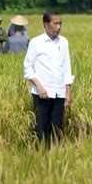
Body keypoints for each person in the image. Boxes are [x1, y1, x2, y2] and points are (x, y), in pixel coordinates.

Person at [24, 11, 73, 144]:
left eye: (60, 23)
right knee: (41, 130)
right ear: (46, 24)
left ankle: (54, 157)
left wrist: (68, 92)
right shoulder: (36, 42)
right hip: (42, 94)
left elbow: (66, 67)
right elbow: (28, 68)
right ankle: (40, 156)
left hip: (59, 93)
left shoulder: (63, 42)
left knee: (57, 130)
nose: (58, 27)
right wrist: (39, 87)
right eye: (55, 23)